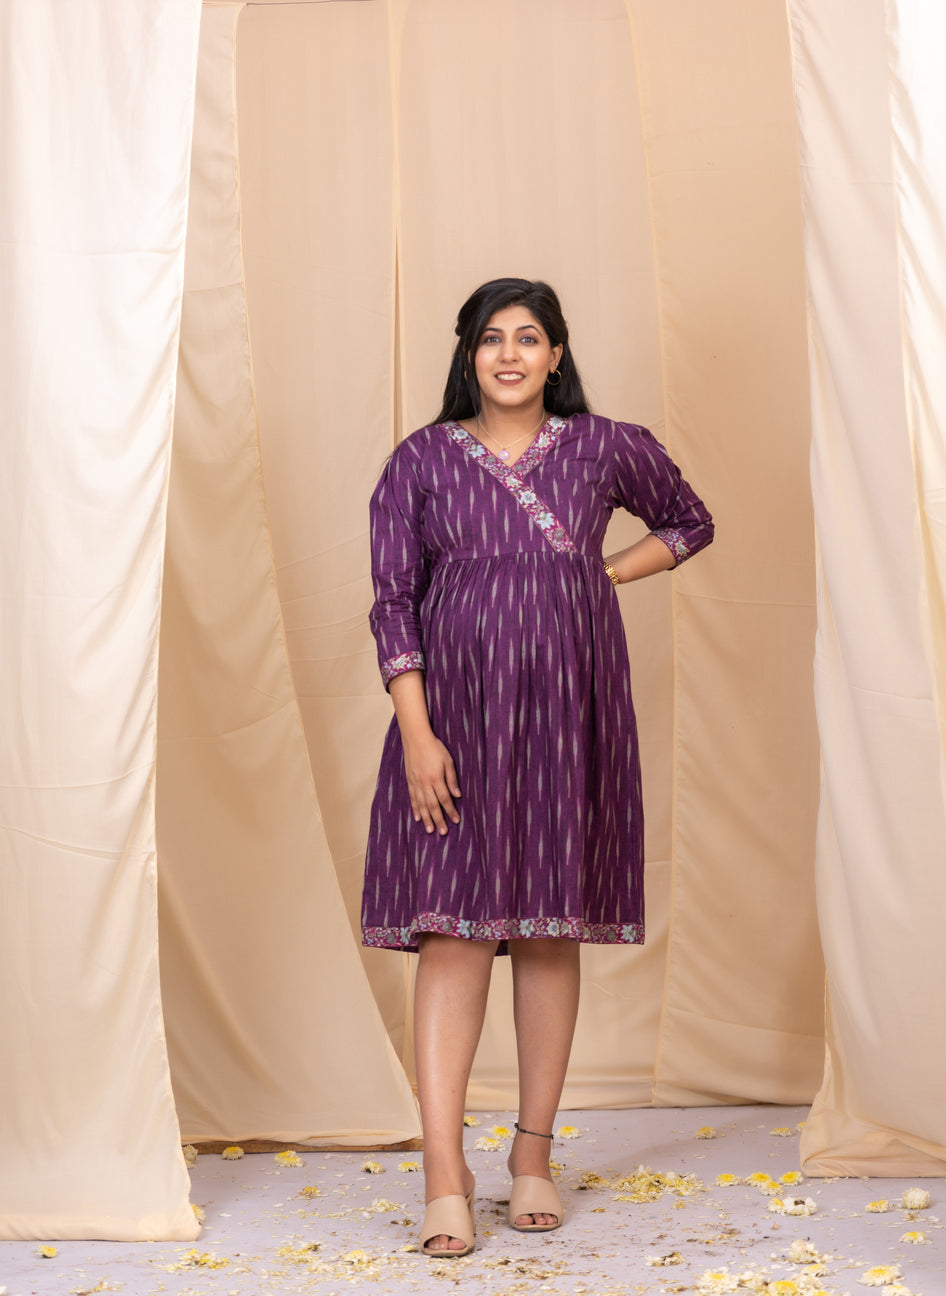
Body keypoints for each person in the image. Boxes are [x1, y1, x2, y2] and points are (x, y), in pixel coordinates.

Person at [363, 278, 713, 1257]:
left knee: (549, 931)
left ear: (556, 354)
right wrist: (418, 733)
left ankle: (531, 1155)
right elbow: (391, 601)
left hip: (569, 717)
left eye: (528, 337)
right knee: (455, 934)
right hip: (455, 727)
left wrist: (598, 575)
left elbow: (688, 522)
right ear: (467, 354)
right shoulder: (422, 460)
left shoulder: (605, 446)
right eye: (491, 338)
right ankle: (444, 1172)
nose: (509, 354)